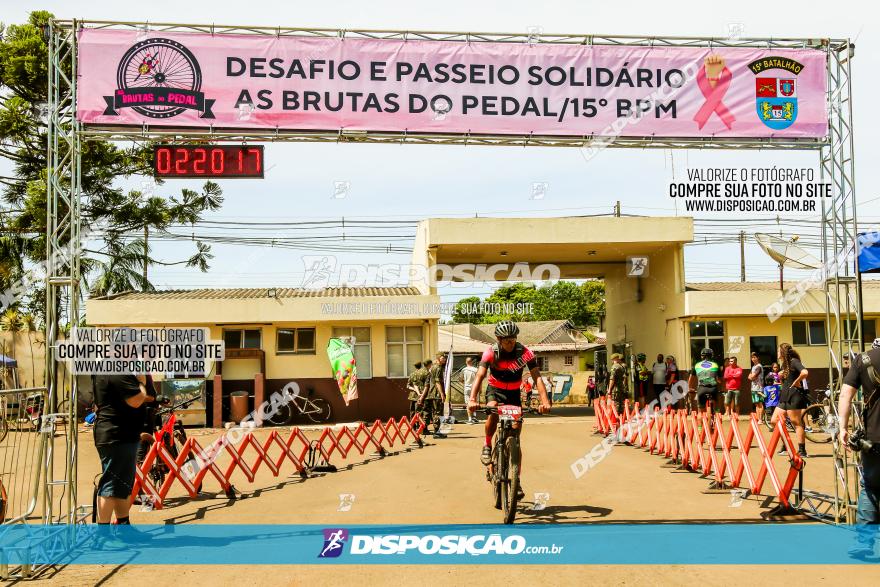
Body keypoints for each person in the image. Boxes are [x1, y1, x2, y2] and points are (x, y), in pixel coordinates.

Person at [468, 320, 550, 499]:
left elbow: (537, 377)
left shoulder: (524, 353)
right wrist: (472, 399)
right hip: (495, 391)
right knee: (492, 411)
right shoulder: (491, 353)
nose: (511, 342)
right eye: (507, 340)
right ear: (498, 339)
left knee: (515, 436)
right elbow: (480, 375)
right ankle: (488, 444)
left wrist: (545, 401)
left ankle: (516, 480)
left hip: (513, 393)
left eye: (513, 339)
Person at [94, 373, 159, 526]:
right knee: (110, 486)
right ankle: (103, 534)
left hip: (123, 435)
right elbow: (136, 399)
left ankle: (123, 524)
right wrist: (142, 383)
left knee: (121, 485)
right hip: (116, 435)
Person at [837, 344, 880, 559]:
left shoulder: (863, 359)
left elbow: (845, 395)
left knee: (871, 488)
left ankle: (864, 542)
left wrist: (843, 428)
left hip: (875, 438)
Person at [773, 343, 809, 458]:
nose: (777, 353)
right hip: (785, 395)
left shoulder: (794, 361)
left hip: (794, 395)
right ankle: (786, 445)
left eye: (779, 351)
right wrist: (780, 376)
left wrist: (797, 381)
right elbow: (787, 378)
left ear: (783, 352)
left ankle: (802, 450)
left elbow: (805, 372)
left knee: (796, 423)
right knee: (774, 420)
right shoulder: (785, 364)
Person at [420, 354, 447, 439]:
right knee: (438, 412)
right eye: (443, 358)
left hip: (432, 393)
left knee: (434, 412)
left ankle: (435, 430)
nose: (445, 359)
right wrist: (442, 393)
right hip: (436, 394)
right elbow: (437, 382)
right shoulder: (438, 368)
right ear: (439, 359)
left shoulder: (433, 367)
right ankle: (437, 432)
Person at [688, 348, 722, 415]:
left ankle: (700, 425)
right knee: (717, 404)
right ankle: (717, 413)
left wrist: (689, 388)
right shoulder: (715, 365)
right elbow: (719, 380)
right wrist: (721, 386)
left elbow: (690, 378)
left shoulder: (697, 365)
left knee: (700, 410)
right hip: (713, 388)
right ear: (711, 356)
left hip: (701, 388)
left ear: (701, 356)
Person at [460, 357, 479, 424]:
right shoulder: (476, 370)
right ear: (472, 362)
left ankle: (470, 419)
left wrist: (465, 383)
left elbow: (460, 379)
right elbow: (479, 380)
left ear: (466, 362)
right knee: (475, 402)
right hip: (475, 388)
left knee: (468, 404)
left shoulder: (464, 370)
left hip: (467, 388)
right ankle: (474, 417)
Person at [748, 353, 766, 422]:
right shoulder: (753, 367)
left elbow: (752, 377)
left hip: (759, 388)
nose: (753, 359)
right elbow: (749, 377)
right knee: (756, 404)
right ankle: (758, 419)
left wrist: (752, 377)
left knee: (760, 403)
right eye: (752, 357)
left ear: (758, 358)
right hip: (753, 388)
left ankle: (761, 419)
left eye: (754, 357)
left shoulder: (759, 366)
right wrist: (751, 377)